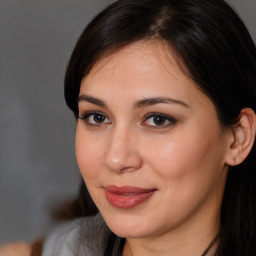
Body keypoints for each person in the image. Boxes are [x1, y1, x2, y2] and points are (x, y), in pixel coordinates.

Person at [39, 0, 256, 255]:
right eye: (97, 117)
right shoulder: (63, 248)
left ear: (237, 138)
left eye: (158, 120)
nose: (116, 158)